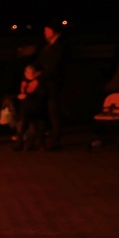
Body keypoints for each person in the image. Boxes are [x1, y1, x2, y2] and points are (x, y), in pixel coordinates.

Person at [34, 22, 68, 150]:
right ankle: (40, 138)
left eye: (47, 30)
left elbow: (54, 66)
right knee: (43, 110)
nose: (44, 33)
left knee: (54, 111)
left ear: (54, 31)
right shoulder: (48, 46)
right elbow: (40, 61)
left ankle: (55, 139)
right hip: (45, 83)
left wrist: (39, 78)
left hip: (54, 83)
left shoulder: (61, 46)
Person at [14, 64, 49, 151]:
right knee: (23, 125)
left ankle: (40, 144)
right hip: (26, 108)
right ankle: (19, 144)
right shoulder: (24, 82)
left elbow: (42, 94)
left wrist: (29, 95)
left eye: (29, 72)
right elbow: (22, 93)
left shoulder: (39, 82)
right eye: (26, 72)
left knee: (40, 126)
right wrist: (19, 96)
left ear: (35, 73)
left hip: (38, 107)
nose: (27, 74)